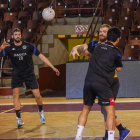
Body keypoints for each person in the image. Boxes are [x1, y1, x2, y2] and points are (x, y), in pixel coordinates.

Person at [70, 27, 129, 140]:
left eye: (104, 31)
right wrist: (74, 48)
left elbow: (86, 50)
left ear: (108, 35)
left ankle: (103, 135)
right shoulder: (98, 45)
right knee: (107, 110)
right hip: (102, 81)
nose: (101, 33)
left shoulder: (99, 47)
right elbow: (83, 47)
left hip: (107, 82)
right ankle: (117, 132)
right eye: (100, 31)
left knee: (100, 109)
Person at [0, 28, 60, 128]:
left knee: (37, 95)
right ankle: (18, 119)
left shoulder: (29, 46)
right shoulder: (8, 48)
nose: (17, 36)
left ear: (21, 36)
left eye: (19, 34)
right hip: (17, 74)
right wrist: (1, 48)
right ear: (12, 36)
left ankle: (41, 110)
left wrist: (53, 67)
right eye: (15, 35)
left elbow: (41, 56)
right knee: (16, 95)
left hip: (29, 73)